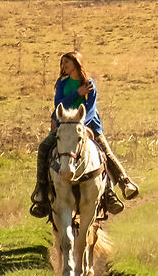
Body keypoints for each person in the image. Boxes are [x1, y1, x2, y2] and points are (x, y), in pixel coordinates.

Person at [29, 51, 141, 219]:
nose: (63, 67)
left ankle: (122, 184)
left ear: (76, 64)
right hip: (66, 126)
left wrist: (81, 124)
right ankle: (41, 190)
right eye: (62, 64)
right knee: (44, 147)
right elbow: (58, 104)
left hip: (89, 125)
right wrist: (77, 94)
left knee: (105, 152)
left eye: (67, 63)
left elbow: (91, 109)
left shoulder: (89, 83)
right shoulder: (61, 83)